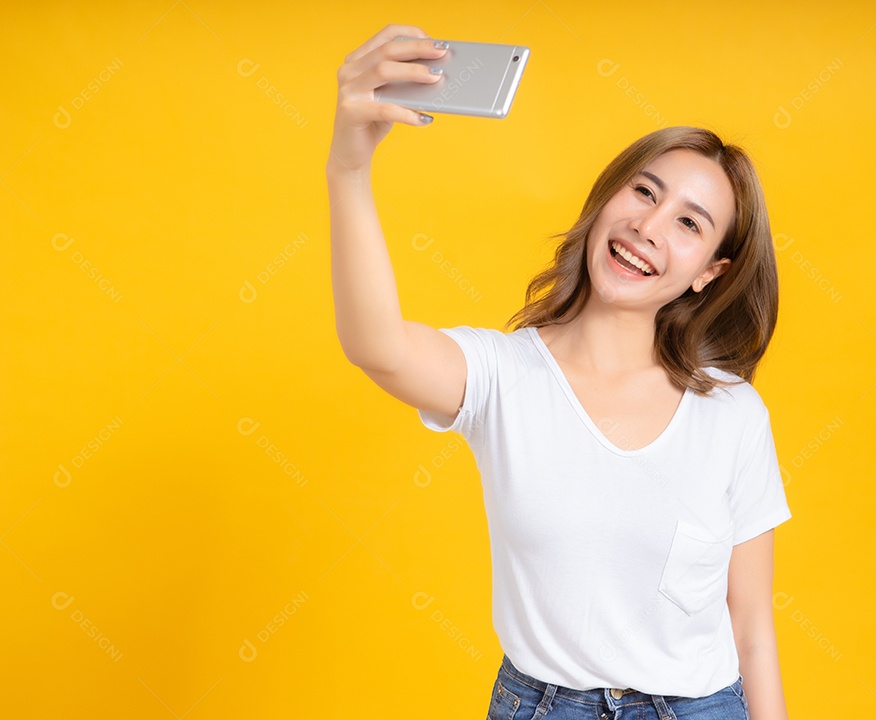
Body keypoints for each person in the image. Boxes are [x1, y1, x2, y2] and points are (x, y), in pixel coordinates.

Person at [327, 24, 793, 720]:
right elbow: (378, 346)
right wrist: (349, 166)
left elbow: (753, 632)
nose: (650, 225)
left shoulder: (731, 413)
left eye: (690, 224)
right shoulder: (502, 378)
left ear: (710, 274)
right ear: (606, 200)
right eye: (644, 191)